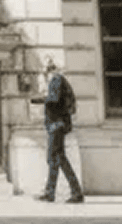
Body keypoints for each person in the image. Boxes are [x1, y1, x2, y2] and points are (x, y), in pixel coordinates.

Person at [29, 56, 84, 203]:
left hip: (57, 125)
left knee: (58, 158)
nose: (45, 74)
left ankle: (75, 192)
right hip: (56, 124)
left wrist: (38, 99)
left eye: (46, 70)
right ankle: (51, 192)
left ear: (52, 69)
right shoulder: (57, 80)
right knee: (54, 158)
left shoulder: (57, 79)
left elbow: (54, 99)